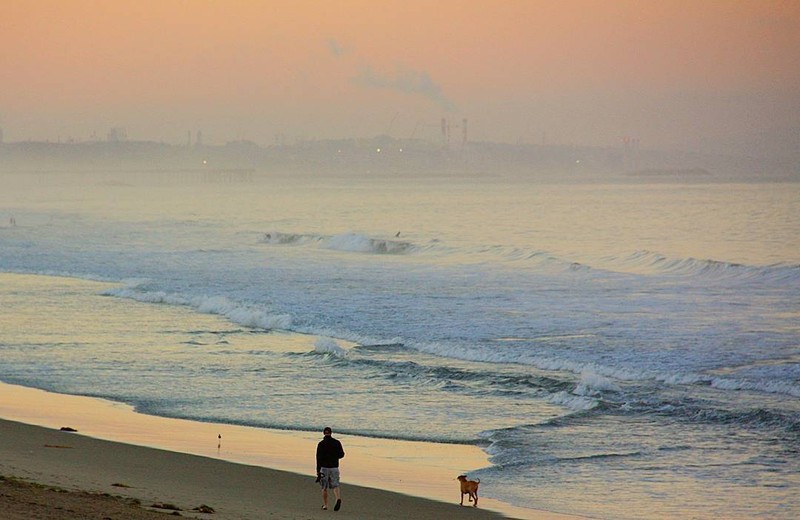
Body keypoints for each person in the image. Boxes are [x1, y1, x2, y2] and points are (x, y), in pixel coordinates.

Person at [316, 426, 345, 511]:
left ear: (324, 433)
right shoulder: (337, 442)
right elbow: (342, 455)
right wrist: (334, 456)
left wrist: (318, 470)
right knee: (335, 485)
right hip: (334, 467)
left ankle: (325, 505)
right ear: (331, 433)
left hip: (324, 468)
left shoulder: (321, 444)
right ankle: (338, 498)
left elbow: (318, 458)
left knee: (324, 487)